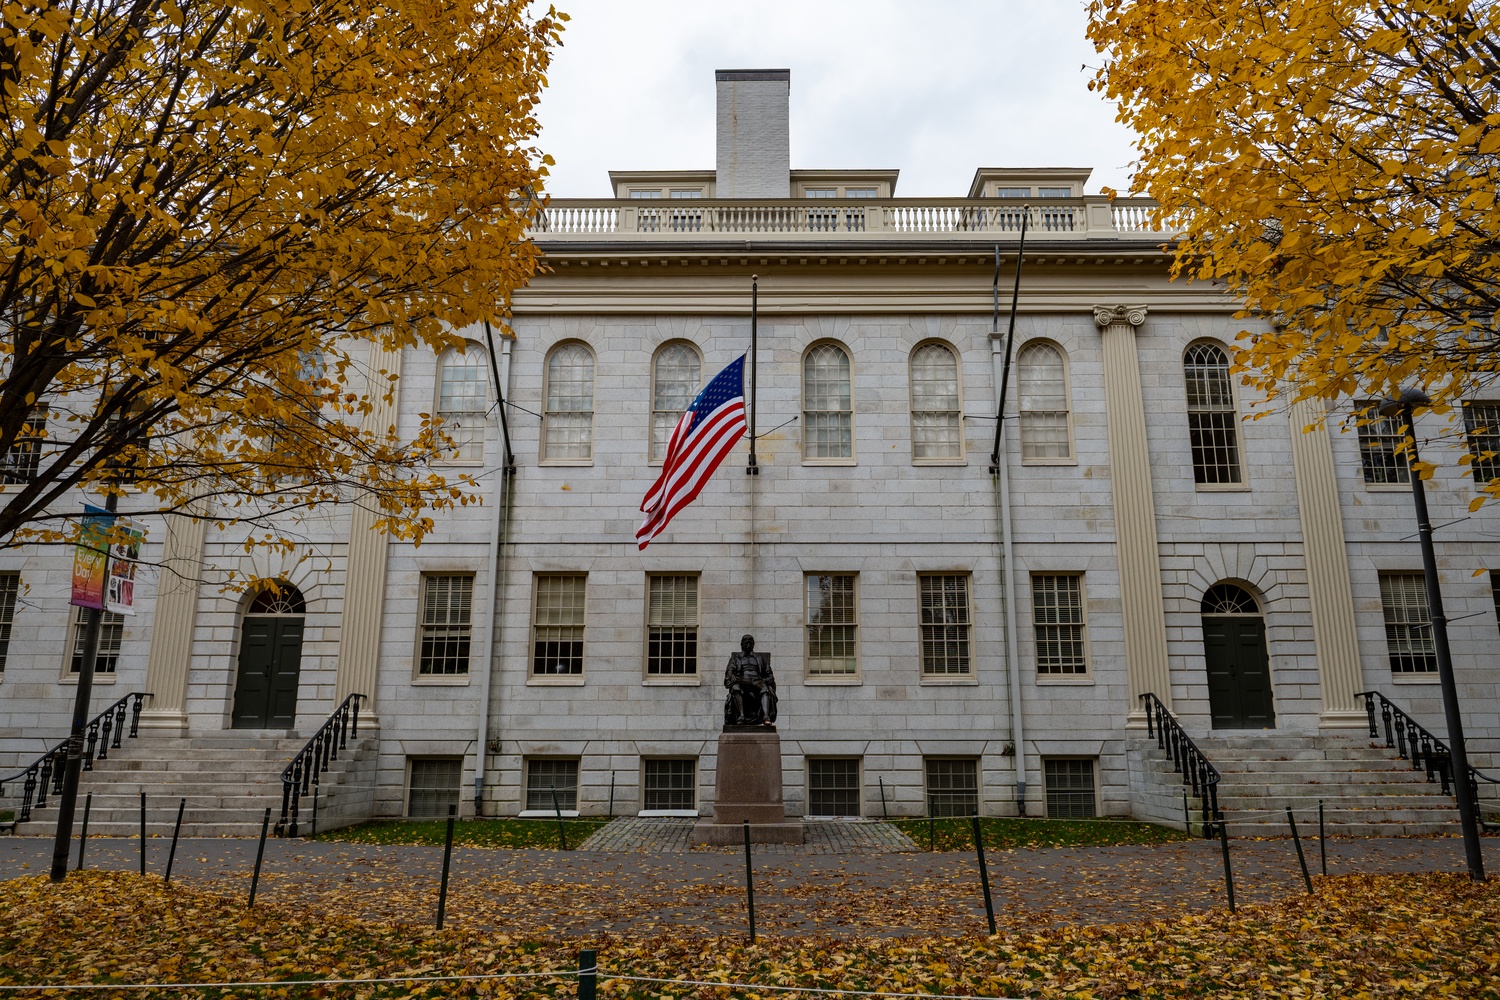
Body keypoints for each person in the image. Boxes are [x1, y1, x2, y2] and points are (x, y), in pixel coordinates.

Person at [723, 633, 777, 726]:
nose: (748, 645)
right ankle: (741, 716)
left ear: (753, 645)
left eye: (750, 643)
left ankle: (766, 717)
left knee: (765, 689)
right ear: (742, 645)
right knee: (735, 688)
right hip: (742, 680)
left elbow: (769, 673)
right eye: (746, 643)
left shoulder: (760, 658)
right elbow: (730, 671)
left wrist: (770, 678)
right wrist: (731, 676)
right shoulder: (736, 658)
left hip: (757, 680)